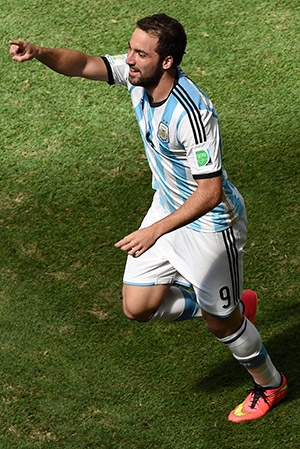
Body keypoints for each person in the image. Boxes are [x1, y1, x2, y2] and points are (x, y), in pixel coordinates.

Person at [9, 13, 287, 422]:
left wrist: (155, 230)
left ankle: (269, 383)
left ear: (167, 61)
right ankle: (222, 308)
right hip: (166, 206)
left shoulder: (193, 114)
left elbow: (209, 194)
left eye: (140, 53)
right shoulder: (137, 76)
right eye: (131, 48)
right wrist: (39, 52)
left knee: (223, 328)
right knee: (138, 307)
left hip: (210, 226)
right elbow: (83, 63)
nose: (130, 59)